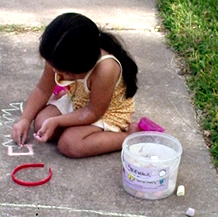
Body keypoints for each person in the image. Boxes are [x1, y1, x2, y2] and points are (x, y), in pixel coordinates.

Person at [11, 13, 139, 158]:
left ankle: (130, 136)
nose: (56, 73)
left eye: (65, 73)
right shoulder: (57, 55)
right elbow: (42, 89)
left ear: (82, 67)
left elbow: (93, 111)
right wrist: (25, 120)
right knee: (41, 124)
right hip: (79, 101)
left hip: (106, 112)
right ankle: (77, 128)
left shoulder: (105, 68)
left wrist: (57, 121)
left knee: (70, 144)